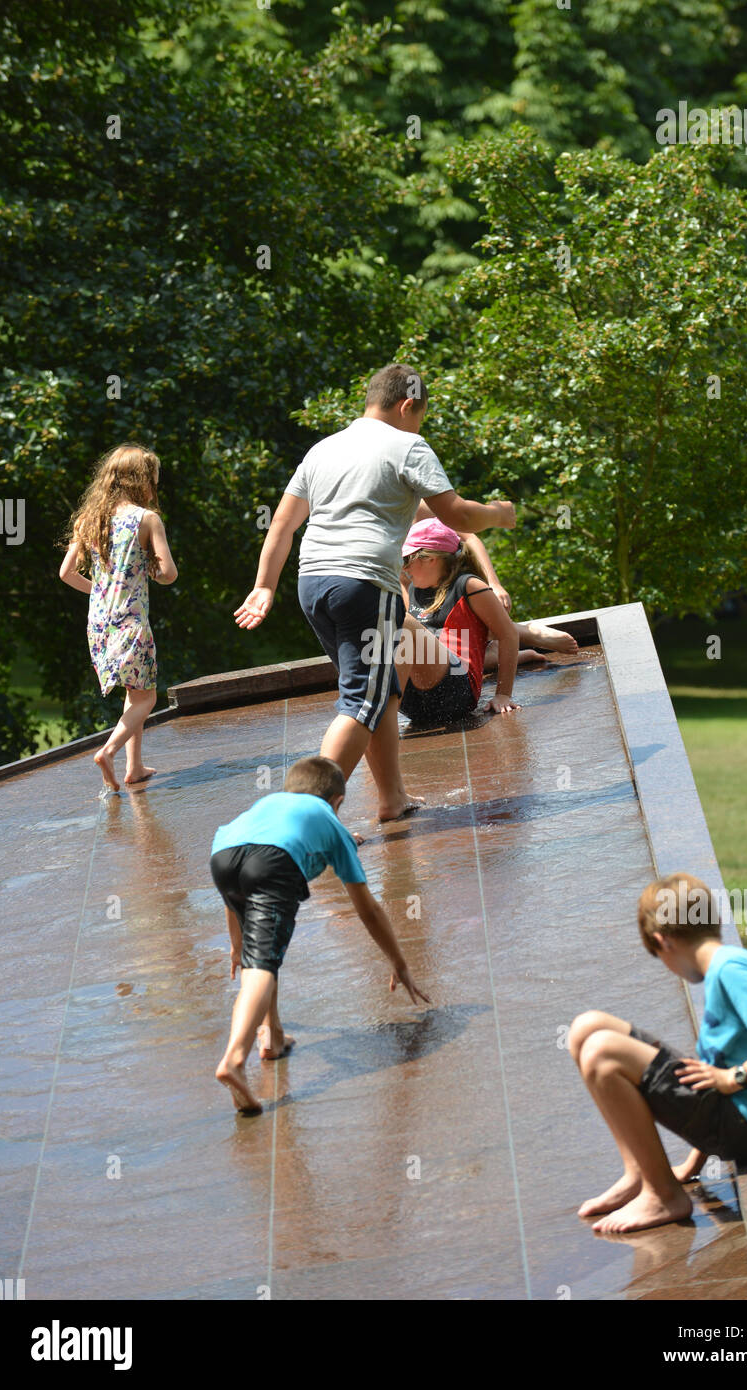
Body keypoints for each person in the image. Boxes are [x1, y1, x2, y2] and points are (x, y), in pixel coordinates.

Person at [233, 363, 516, 820]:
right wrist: (499, 514)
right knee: (359, 702)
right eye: (420, 415)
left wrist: (264, 585)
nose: (419, 425)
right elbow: (459, 517)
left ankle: (392, 799)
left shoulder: (323, 449)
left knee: (379, 693)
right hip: (363, 585)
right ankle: (304, 819)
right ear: (408, 405)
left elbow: (283, 525)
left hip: (313, 585)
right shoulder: (408, 445)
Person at [569, 872, 747, 1235]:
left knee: (602, 1053)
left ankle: (663, 1195)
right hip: (739, 1118)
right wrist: (694, 1162)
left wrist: (735, 1078)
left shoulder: (731, 970)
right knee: (586, 1028)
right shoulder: (721, 968)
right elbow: (713, 1069)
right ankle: (638, 1173)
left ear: (662, 941)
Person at [210, 755, 431, 1114]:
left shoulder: (268, 806)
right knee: (262, 967)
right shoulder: (330, 822)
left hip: (222, 854)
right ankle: (234, 1059)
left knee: (263, 953)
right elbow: (369, 910)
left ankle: (274, 1036)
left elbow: (234, 895)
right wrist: (399, 961)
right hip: (273, 861)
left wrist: (236, 944)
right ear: (336, 802)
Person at [60, 443, 177, 792]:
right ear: (142, 481)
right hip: (131, 623)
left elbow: (66, 572)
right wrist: (148, 571)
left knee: (134, 693)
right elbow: (169, 573)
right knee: (148, 698)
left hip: (98, 624)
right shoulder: (147, 519)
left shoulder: (89, 520)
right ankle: (107, 752)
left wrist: (100, 591)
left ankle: (134, 766)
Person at [412, 499, 579, 666]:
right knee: (424, 656)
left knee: (436, 657)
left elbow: (467, 537)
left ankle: (526, 633)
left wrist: (493, 584)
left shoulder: (417, 507)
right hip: (417, 606)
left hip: (445, 589)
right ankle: (493, 653)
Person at [397, 517, 521, 725]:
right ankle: (368, 708)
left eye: (407, 560)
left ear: (431, 558)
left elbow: (509, 634)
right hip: (416, 704)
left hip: (455, 692)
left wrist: (503, 694)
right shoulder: (413, 590)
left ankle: (376, 712)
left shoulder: (469, 585)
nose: (405, 569)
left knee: (396, 618)